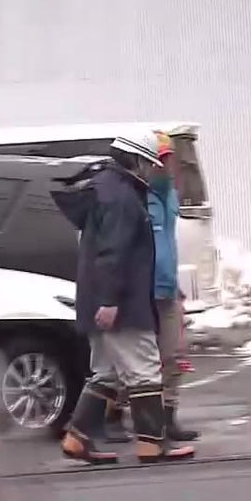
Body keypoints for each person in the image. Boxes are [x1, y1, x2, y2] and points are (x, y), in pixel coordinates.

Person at [50, 131, 195, 464]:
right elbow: (113, 252)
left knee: (106, 372)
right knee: (144, 370)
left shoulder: (104, 188)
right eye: (150, 163)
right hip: (122, 303)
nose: (152, 170)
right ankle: (152, 443)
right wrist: (112, 301)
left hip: (98, 299)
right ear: (138, 160)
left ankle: (77, 438)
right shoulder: (122, 197)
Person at [102, 132, 199, 443]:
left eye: (171, 159)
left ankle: (168, 417)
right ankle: (114, 415)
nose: (168, 167)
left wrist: (175, 285)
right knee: (134, 361)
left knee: (172, 356)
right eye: (163, 160)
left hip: (166, 290)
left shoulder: (169, 195)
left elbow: (167, 242)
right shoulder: (134, 194)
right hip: (140, 290)